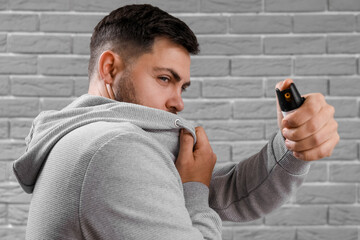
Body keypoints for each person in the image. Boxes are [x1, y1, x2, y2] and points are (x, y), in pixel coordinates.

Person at [13, 4, 339, 240]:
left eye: (181, 86)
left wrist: (291, 146)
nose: (178, 102)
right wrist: (194, 189)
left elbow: (232, 193)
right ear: (110, 68)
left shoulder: (87, 140)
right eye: (164, 78)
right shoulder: (113, 148)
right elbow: (200, 194)